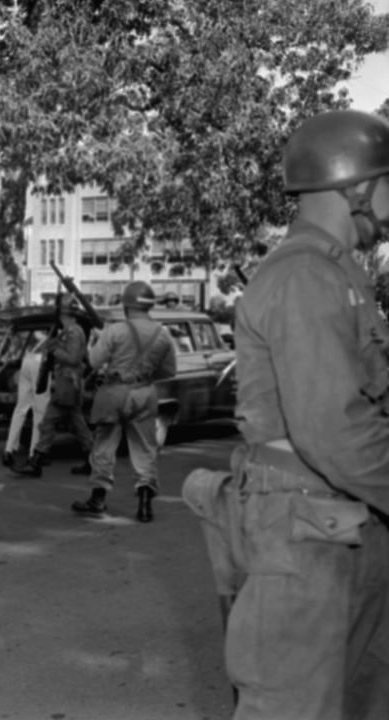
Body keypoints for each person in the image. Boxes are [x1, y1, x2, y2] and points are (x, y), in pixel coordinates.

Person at [205, 109, 389, 719]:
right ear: (353, 186)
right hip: (305, 530)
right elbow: (333, 429)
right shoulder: (306, 274)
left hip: (338, 523)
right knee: (293, 706)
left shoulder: (338, 271)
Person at [71, 281, 175, 521]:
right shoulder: (163, 333)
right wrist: (143, 377)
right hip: (145, 393)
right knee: (145, 449)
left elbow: (95, 361)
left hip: (115, 391)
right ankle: (145, 504)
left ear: (126, 306)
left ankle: (98, 499)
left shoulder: (115, 331)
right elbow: (169, 371)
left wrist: (97, 340)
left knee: (105, 447)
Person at [16, 300, 93, 478]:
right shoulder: (73, 331)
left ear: (63, 315)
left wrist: (54, 349)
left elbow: (73, 358)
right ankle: (94, 459)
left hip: (67, 383)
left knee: (49, 422)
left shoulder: (73, 331)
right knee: (77, 424)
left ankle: (36, 461)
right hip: (67, 383)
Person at [2, 329, 51, 468]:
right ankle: (33, 453)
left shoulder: (35, 329)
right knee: (39, 412)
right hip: (40, 362)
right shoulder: (56, 328)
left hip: (27, 359)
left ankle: (8, 450)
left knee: (20, 409)